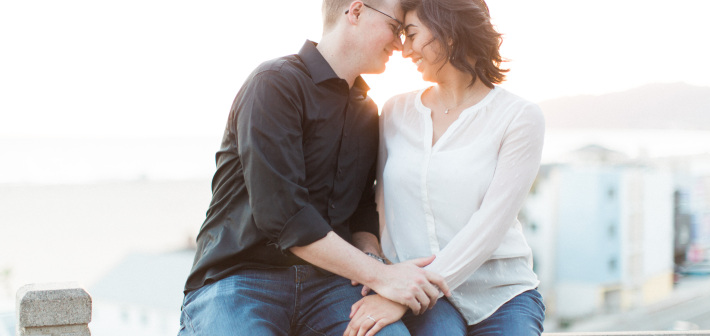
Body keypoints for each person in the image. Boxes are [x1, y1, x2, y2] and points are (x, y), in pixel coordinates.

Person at [178, 1, 451, 335]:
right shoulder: (275, 83)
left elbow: (362, 210)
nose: (399, 43)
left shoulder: (367, 111)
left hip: (328, 287)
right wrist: (383, 276)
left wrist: (375, 261)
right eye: (395, 28)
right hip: (239, 279)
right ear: (356, 11)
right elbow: (285, 217)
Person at [344, 0, 546, 335]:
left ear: (448, 33)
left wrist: (401, 297)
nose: (404, 49)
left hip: (499, 295)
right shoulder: (395, 111)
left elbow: (491, 224)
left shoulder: (519, 117)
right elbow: (375, 201)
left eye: (411, 34)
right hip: (417, 293)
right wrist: (383, 274)